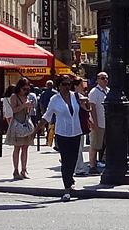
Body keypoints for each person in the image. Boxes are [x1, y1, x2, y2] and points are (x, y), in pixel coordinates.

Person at [35, 74, 88, 202]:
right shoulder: (55, 99)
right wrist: (36, 130)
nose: (66, 86)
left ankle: (70, 180)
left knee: (74, 160)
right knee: (66, 161)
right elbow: (47, 116)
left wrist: (85, 102)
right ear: (58, 85)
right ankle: (67, 189)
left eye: (68, 84)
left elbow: (86, 103)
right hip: (62, 134)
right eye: (64, 84)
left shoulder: (75, 96)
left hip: (76, 132)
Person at [5, 77, 35, 179]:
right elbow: (14, 110)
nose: (26, 91)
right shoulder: (14, 96)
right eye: (24, 89)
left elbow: (28, 112)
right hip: (17, 124)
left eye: (27, 89)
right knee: (17, 147)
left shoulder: (28, 96)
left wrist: (29, 107)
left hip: (25, 123)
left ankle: (24, 169)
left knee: (25, 148)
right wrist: (24, 105)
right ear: (19, 88)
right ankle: (16, 170)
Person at [88, 71, 109, 174]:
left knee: (108, 144)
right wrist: (95, 124)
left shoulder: (108, 91)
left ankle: (105, 162)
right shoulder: (94, 92)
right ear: (97, 80)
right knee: (95, 145)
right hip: (98, 123)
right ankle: (92, 166)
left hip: (108, 123)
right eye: (102, 78)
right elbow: (92, 109)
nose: (105, 80)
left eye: (106, 78)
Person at [73, 77, 89, 176]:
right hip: (77, 124)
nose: (83, 87)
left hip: (81, 124)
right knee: (78, 147)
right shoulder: (75, 95)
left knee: (80, 146)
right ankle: (78, 168)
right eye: (81, 85)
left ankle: (79, 166)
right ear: (76, 86)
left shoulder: (79, 95)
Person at [39, 80, 57, 145]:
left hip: (47, 112)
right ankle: (52, 140)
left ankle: (48, 140)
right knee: (54, 126)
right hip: (55, 112)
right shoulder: (56, 93)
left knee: (48, 126)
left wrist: (42, 111)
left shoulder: (43, 93)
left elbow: (41, 103)